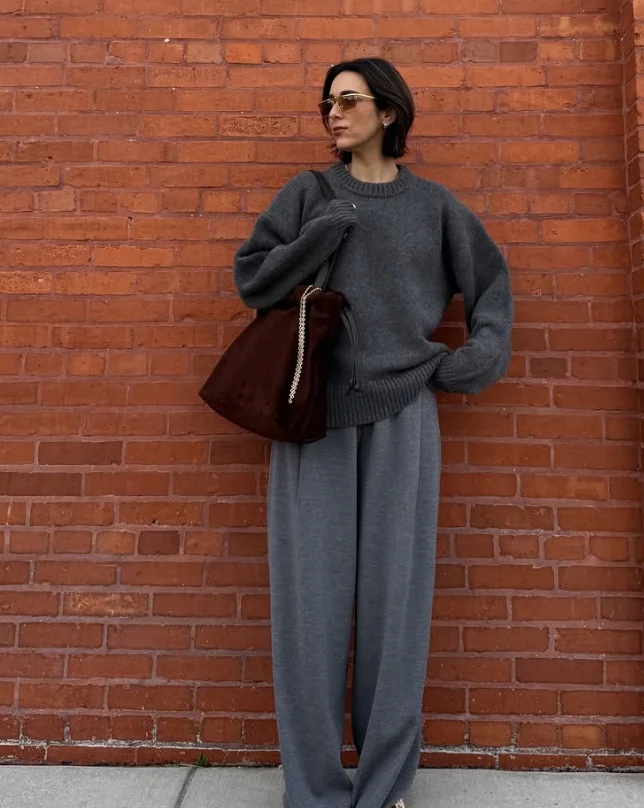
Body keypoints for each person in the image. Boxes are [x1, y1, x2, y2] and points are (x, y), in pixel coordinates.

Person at [232, 58, 513, 808]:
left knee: (397, 607)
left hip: (405, 418)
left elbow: (490, 286)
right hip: (312, 420)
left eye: (349, 101)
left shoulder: (434, 206)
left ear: (390, 112)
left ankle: (385, 788)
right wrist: (320, 234)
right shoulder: (307, 194)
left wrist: (471, 362)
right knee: (309, 610)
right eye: (327, 102)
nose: (334, 113)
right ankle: (316, 791)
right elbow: (252, 278)